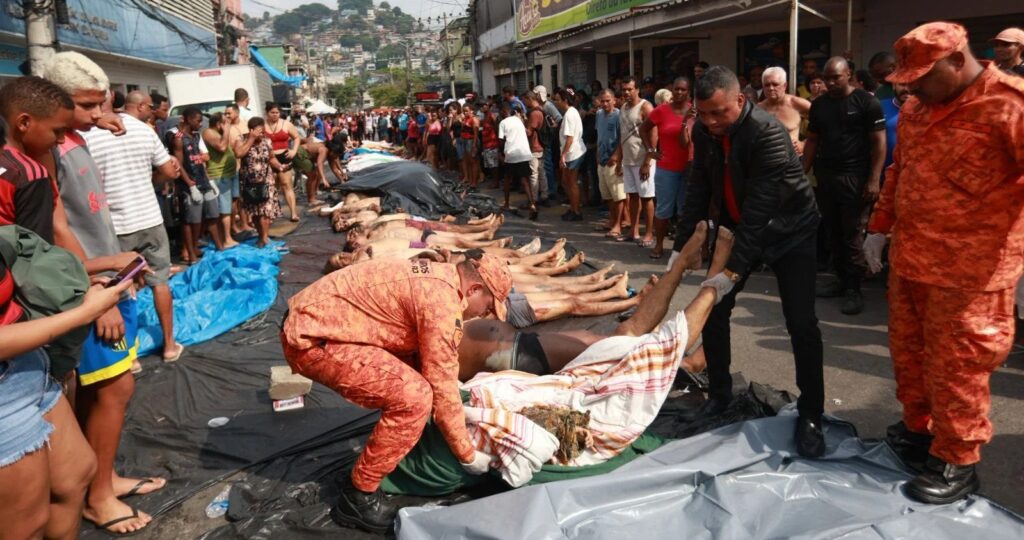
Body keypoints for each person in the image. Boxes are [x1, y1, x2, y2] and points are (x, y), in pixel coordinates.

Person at [862, 22, 1024, 504]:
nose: (910, 88)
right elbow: (898, 172)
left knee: (959, 369)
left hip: (971, 275)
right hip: (912, 261)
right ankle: (920, 433)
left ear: (957, 60)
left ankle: (957, 459)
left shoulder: (1009, 104)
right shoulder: (917, 108)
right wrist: (878, 228)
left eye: (920, 77)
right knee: (910, 358)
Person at [280, 254, 512, 533]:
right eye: (488, 307)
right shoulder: (442, 303)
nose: (484, 315)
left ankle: (395, 449)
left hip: (322, 322)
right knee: (414, 398)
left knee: (418, 377)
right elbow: (441, 382)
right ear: (474, 290)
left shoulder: (440, 276)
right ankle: (358, 498)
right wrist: (467, 454)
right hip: (312, 338)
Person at [672, 66, 826, 458]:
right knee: (715, 312)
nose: (710, 122)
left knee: (800, 322)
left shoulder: (768, 134)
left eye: (718, 113)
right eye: (703, 114)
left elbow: (758, 213)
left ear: (740, 100)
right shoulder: (706, 131)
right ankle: (719, 396)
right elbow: (698, 187)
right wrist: (681, 246)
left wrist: (731, 272)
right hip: (738, 227)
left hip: (791, 232)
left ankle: (812, 413)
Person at [43, 64, 169, 534]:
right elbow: (59, 229)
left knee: (111, 387)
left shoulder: (77, 138)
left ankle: (106, 477)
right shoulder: (51, 150)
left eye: (105, 102)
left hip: (109, 277)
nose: (101, 112)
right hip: (91, 288)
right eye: (87, 103)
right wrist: (97, 293)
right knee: (110, 388)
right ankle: (96, 497)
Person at [458, 223, 725, 380]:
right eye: (490, 304)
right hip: (521, 355)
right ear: (474, 289)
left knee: (622, 338)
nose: (492, 310)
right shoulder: (435, 315)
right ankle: (690, 278)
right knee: (629, 341)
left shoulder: (443, 292)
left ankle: (685, 277)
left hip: (520, 347)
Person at [0, 254, 135, 540]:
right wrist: (83, 313)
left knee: (74, 476)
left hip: (26, 362)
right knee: (26, 525)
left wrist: (73, 285)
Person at [76, 55, 184, 364]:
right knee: (160, 282)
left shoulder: (83, 137)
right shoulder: (142, 130)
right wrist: (149, 181)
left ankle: (130, 356)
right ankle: (169, 346)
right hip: (149, 218)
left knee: (121, 286)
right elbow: (167, 169)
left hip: (115, 227)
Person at [803, 56, 886, 316]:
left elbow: (879, 144)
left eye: (835, 77)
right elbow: (813, 140)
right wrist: (801, 172)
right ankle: (839, 279)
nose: (829, 82)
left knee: (851, 234)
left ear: (849, 74)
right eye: (826, 77)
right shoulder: (819, 106)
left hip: (855, 178)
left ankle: (854, 289)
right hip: (826, 177)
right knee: (832, 231)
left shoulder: (866, 102)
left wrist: (874, 179)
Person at [641, 76, 697, 259]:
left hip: (689, 168)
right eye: (676, 89)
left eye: (683, 89)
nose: (679, 92)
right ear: (672, 90)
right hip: (667, 168)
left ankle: (680, 249)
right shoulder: (662, 110)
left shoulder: (694, 112)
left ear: (689, 92)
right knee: (663, 210)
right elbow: (644, 128)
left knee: (684, 211)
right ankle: (659, 245)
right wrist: (650, 150)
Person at [173, 107, 224, 263]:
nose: (201, 124)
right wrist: (190, 184)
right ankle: (191, 254)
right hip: (190, 184)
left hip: (204, 181)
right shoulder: (178, 138)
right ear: (188, 119)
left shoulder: (196, 136)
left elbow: (202, 160)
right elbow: (178, 164)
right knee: (192, 220)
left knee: (213, 214)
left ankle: (220, 247)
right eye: (198, 120)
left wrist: (210, 180)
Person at [612, 76, 655, 246]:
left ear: (637, 90)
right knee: (633, 197)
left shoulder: (646, 107)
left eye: (630, 89)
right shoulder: (622, 108)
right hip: (628, 160)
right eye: (624, 90)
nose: (627, 92)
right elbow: (623, 137)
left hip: (643, 160)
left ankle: (649, 234)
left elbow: (654, 135)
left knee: (647, 198)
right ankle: (633, 231)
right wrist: (619, 161)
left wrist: (647, 162)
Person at [236, 117, 287, 247]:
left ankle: (264, 238)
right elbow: (239, 154)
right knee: (255, 210)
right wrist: (251, 139)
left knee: (265, 210)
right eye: (259, 131)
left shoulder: (267, 141)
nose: (262, 134)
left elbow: (271, 158)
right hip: (250, 182)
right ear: (251, 130)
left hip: (266, 180)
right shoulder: (241, 140)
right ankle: (261, 236)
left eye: (263, 131)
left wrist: (280, 166)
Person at [203, 112, 240, 249]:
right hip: (219, 176)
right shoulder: (208, 132)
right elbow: (222, 147)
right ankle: (226, 239)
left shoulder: (218, 133)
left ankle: (228, 235)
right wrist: (227, 130)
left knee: (228, 208)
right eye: (225, 122)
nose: (228, 124)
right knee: (224, 210)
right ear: (219, 124)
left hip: (228, 174)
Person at [595, 89, 628, 240]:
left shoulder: (619, 115)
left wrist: (616, 157)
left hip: (613, 160)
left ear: (614, 100)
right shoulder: (599, 114)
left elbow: (622, 138)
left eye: (608, 100)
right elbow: (599, 135)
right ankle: (613, 220)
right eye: (602, 101)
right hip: (601, 160)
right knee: (607, 194)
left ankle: (618, 225)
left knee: (618, 195)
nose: (605, 103)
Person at [757, 67, 811, 154]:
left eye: (775, 84)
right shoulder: (758, 109)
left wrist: (804, 144)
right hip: (766, 160)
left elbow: (824, 124)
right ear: (763, 87)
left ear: (784, 85)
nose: (771, 88)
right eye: (767, 85)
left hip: (792, 161)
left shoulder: (797, 104)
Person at [497, 103, 536, 219]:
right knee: (525, 180)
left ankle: (507, 204)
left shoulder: (503, 123)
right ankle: (532, 204)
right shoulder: (518, 120)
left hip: (512, 154)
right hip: (524, 153)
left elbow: (501, 140)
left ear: (503, 112)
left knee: (507, 179)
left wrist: (501, 153)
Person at [553, 88, 587, 221]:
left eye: (558, 100)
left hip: (573, 153)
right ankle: (573, 207)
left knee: (571, 182)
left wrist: (563, 155)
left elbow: (570, 138)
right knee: (566, 181)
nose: (556, 103)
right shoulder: (571, 112)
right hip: (572, 151)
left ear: (565, 100)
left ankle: (576, 211)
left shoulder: (569, 114)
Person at [264, 103, 301, 222]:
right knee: (271, 187)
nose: (275, 115)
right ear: (267, 113)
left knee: (287, 185)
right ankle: (271, 214)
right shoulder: (263, 125)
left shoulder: (286, 124)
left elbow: (296, 137)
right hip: (269, 158)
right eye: (272, 113)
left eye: (277, 113)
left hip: (284, 157)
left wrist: (294, 151)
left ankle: (293, 213)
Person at [522, 91, 550, 207]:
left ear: (529, 99)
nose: (524, 103)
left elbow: (529, 132)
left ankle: (534, 199)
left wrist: (521, 121)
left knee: (534, 174)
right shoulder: (541, 110)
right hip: (541, 146)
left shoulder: (534, 114)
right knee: (542, 172)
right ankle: (544, 195)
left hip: (535, 146)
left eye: (525, 100)